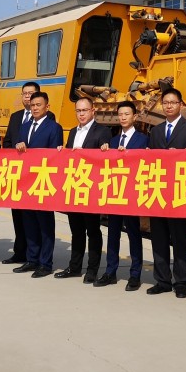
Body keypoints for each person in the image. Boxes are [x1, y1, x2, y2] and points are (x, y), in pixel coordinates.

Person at [56, 96, 112, 282]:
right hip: (74, 187)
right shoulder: (73, 132)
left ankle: (92, 270)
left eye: (85, 110)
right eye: (78, 111)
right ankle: (74, 267)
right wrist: (62, 151)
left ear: (93, 111)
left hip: (91, 189)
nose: (81, 114)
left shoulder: (103, 131)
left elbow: (104, 159)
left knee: (93, 231)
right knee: (76, 230)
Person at [146, 87, 186, 298]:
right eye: (165, 103)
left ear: (181, 105)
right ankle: (162, 280)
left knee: (180, 238)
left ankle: (182, 282)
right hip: (159, 191)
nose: (168, 106)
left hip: (180, 191)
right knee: (159, 238)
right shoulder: (156, 131)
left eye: (173, 103)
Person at [96, 101, 146, 291]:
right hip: (114, 192)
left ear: (135, 117)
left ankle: (135, 274)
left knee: (134, 233)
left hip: (131, 193)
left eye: (127, 114)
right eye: (121, 114)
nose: (123, 117)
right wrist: (104, 151)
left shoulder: (143, 139)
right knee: (113, 233)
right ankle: (110, 272)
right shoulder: (113, 140)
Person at [13, 91, 63, 278]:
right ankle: (31, 259)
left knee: (45, 225)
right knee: (29, 223)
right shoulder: (24, 126)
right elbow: (17, 152)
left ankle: (45, 263)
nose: (35, 108)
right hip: (26, 182)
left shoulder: (54, 128)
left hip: (43, 182)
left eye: (38, 105)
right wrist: (18, 147)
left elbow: (54, 156)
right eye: (32, 105)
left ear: (47, 107)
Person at [1, 81, 41, 265]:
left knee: (34, 218)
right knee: (17, 216)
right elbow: (8, 142)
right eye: (24, 93)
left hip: (35, 175)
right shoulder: (16, 117)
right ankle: (19, 252)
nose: (27, 96)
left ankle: (35, 255)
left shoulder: (47, 117)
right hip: (16, 174)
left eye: (31, 93)